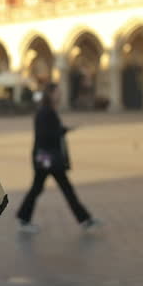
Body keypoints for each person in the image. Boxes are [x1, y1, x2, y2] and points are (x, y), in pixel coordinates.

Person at [15, 83, 103, 234]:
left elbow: (50, 131)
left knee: (46, 187)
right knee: (56, 188)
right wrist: (59, 131)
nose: (60, 95)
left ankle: (24, 216)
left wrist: (64, 129)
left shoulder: (47, 111)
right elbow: (45, 135)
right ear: (50, 94)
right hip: (47, 158)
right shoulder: (46, 112)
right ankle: (84, 219)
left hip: (47, 157)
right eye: (57, 92)